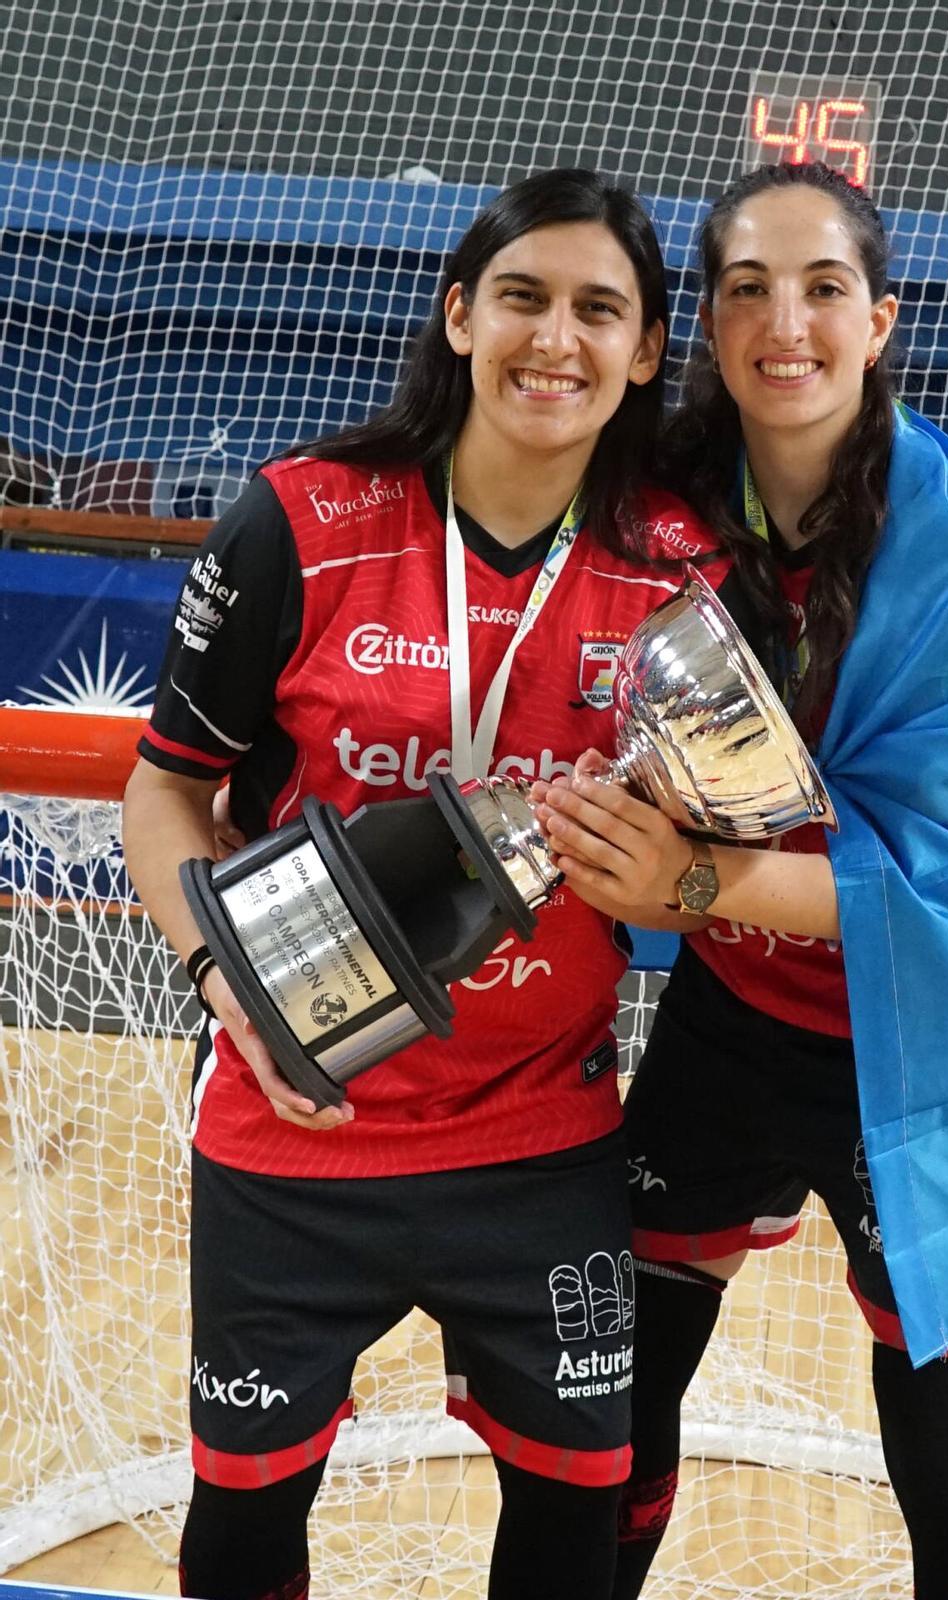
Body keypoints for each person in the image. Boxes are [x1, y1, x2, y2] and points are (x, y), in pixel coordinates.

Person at [122, 168, 746, 1600]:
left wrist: (680, 876)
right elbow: (165, 789)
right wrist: (228, 982)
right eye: (523, 297)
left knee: (570, 1534)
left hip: (540, 1139)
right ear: (461, 315)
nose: (557, 339)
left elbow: (726, 847)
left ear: (649, 349)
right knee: (242, 1536)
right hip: (300, 1127)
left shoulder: (678, 571)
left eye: (603, 310)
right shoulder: (299, 521)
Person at [531, 162, 948, 1599]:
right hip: (735, 1022)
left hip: (934, 1052)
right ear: (707, 330)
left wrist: (698, 880)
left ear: (882, 320)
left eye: (824, 286)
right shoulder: (659, 496)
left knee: (945, 1455)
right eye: (747, 289)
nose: (786, 320)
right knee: (617, 1410)